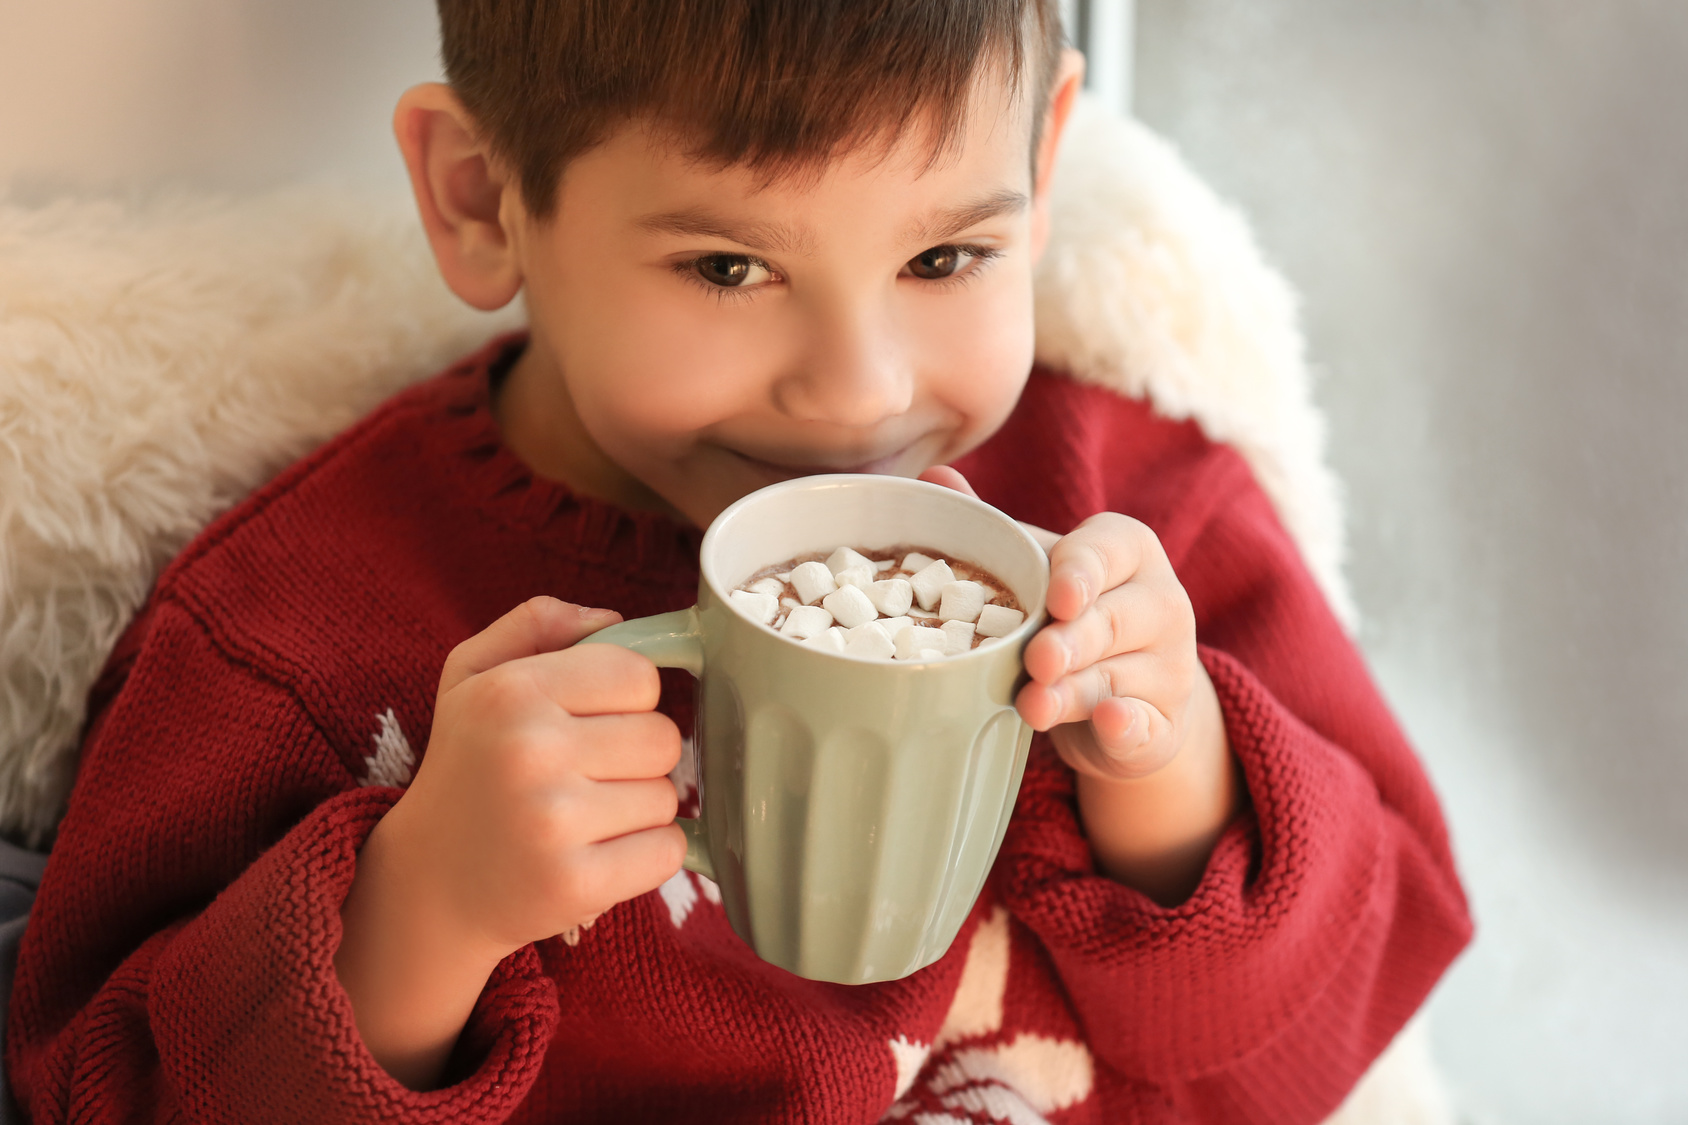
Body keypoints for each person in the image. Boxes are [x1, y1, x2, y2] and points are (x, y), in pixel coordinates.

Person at [4, 1, 1472, 1121]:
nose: (858, 387)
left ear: (1044, 160)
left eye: (946, 258)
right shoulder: (296, 638)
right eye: (727, 268)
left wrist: (1176, 780)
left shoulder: (1137, 525)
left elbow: (1359, 1006)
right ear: (478, 197)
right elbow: (86, 1087)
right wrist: (416, 915)